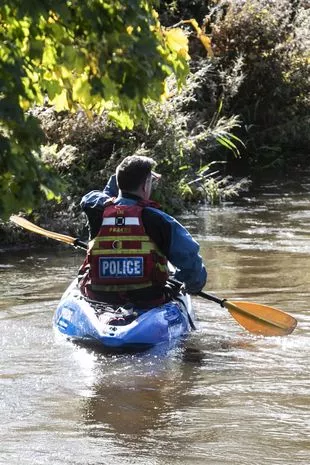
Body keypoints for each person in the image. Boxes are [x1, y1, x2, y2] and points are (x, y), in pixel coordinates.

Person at [78, 153, 207, 308]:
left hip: (99, 298)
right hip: (148, 300)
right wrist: (189, 285)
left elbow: (89, 197)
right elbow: (192, 264)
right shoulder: (160, 220)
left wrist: (120, 178)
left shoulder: (96, 209)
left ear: (119, 182)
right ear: (145, 185)